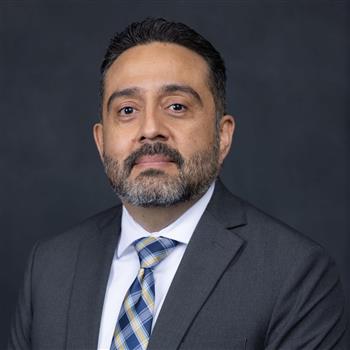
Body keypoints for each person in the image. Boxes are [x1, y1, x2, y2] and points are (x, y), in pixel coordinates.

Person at [9, 18, 347, 350]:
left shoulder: (295, 272)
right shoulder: (50, 266)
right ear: (101, 141)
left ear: (223, 135)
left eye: (176, 106)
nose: (150, 128)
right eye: (127, 110)